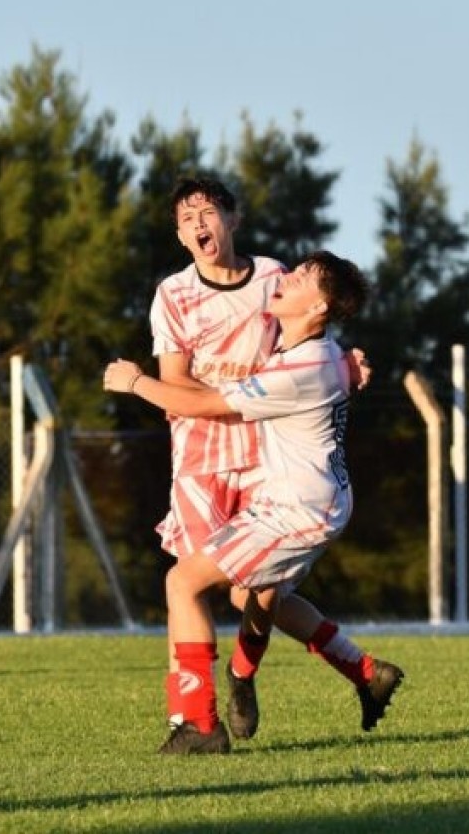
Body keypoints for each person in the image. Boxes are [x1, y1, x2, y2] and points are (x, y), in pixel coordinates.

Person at [105, 250, 404, 754]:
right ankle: (364, 672)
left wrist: (135, 382)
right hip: (312, 502)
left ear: (319, 308)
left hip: (297, 510)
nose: (287, 277)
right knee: (252, 598)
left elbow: (201, 404)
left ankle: (199, 725)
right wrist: (352, 363)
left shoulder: (302, 368)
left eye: (303, 277)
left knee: (183, 582)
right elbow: (334, 363)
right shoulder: (315, 351)